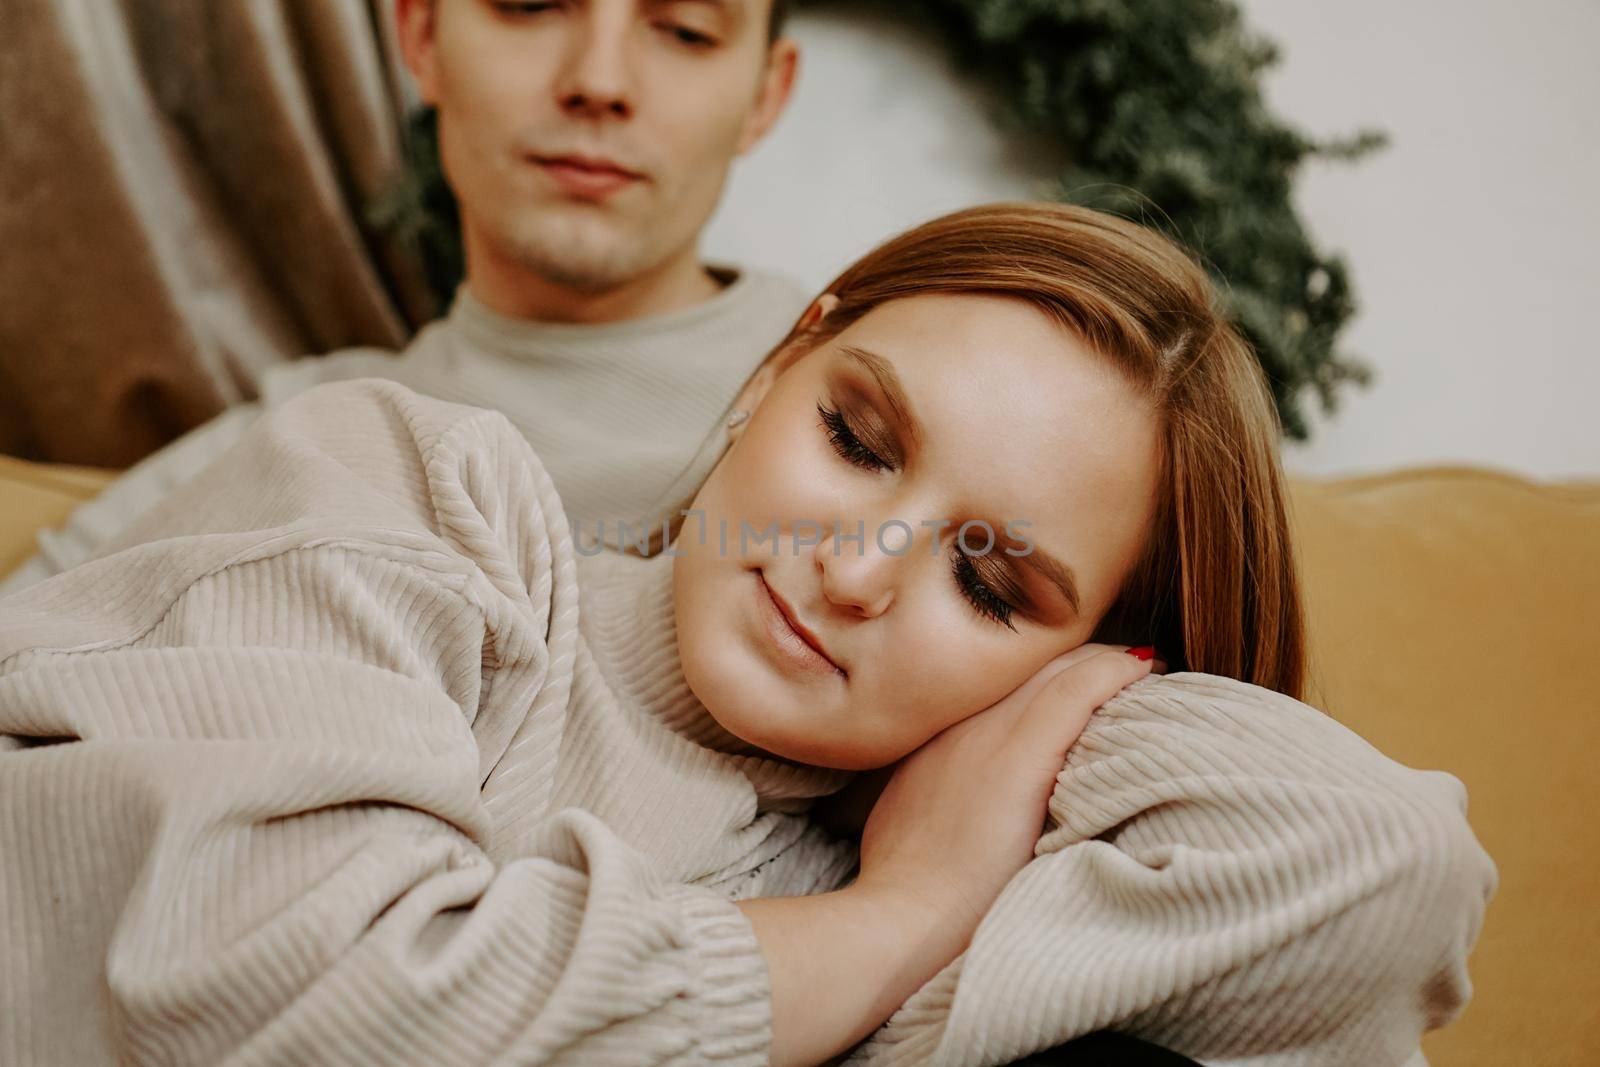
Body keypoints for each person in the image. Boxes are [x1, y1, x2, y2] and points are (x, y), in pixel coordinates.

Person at [0, 204, 1494, 1067]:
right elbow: (286, 996)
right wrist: (897, 919)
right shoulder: (425, 501)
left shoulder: (948, 856)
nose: (855, 570)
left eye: (990, 582)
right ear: (786, 356)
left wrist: (1065, 719)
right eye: (856, 436)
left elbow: (1385, 865)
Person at [0, 0, 806, 594]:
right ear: (421, 37)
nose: (598, 81)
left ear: (767, 97)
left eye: (686, 30)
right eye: (531, 6)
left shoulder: (866, 395)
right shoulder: (305, 431)